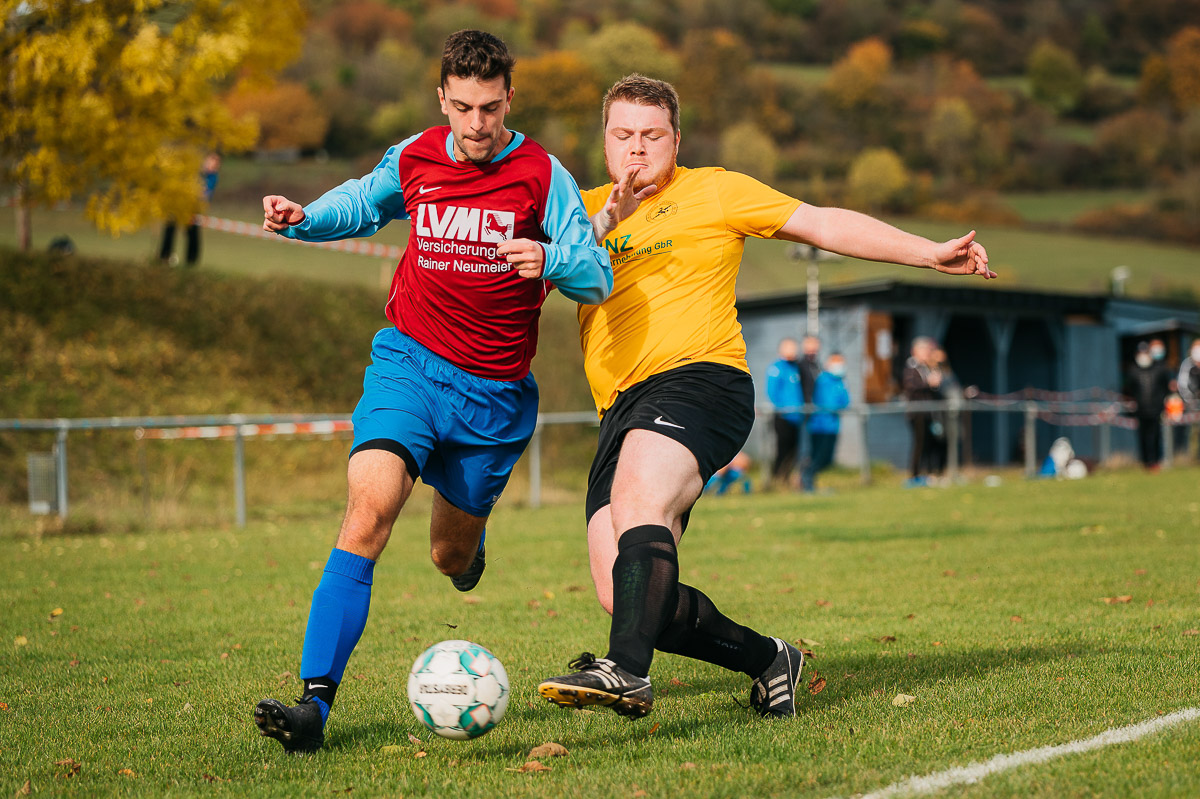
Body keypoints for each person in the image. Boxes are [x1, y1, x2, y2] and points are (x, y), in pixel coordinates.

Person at [537, 74, 994, 720]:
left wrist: (928, 253)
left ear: (676, 139)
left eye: (651, 135)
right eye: (622, 136)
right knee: (626, 595)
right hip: (619, 407)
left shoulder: (715, 189)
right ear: (604, 141)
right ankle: (769, 659)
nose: (637, 149)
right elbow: (529, 285)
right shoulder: (579, 213)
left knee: (638, 498)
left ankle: (626, 671)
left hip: (701, 382)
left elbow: (821, 222)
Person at [251, 30, 613, 753]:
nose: (477, 124)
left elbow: (595, 274)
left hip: (494, 397)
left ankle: (467, 553)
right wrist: (305, 218)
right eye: (463, 107)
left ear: (510, 97)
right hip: (408, 366)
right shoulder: (415, 156)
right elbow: (362, 202)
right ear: (442, 99)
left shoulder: (543, 175)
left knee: (449, 555)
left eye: (490, 107)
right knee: (368, 513)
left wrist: (549, 257)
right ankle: (314, 705)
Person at [160, 151, 220, 267]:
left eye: (217, 164)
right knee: (170, 227)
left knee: (193, 233)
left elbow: (206, 195)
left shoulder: (212, 177)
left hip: (193, 208)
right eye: (213, 162)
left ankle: (191, 262)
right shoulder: (194, 170)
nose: (215, 166)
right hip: (179, 203)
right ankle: (164, 256)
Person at [802, 353, 850, 493]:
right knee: (818, 456)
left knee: (827, 459)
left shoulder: (841, 381)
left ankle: (810, 482)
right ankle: (807, 483)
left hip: (833, 426)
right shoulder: (823, 380)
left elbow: (845, 402)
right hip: (819, 426)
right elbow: (829, 403)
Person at [1124, 341, 1172, 470]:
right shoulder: (1133, 371)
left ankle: (1156, 461)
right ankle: (1145, 462)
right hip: (1141, 410)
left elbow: (1165, 388)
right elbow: (1128, 391)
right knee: (1143, 437)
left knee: (1156, 436)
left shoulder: (1159, 369)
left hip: (1156, 409)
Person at [902, 337, 940, 486]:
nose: (927, 353)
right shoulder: (911, 367)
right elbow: (911, 386)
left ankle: (925, 473)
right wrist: (928, 383)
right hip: (917, 412)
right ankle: (914, 475)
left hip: (926, 412)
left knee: (926, 444)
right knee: (918, 444)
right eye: (924, 350)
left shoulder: (925, 367)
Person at [765, 338, 802, 486]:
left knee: (795, 449)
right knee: (782, 448)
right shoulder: (776, 368)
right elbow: (772, 392)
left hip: (797, 416)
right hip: (782, 416)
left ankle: (787, 477)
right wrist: (783, 408)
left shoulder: (797, 368)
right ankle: (777, 477)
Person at [1178, 340, 1200, 458]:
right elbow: (1182, 385)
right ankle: (1192, 457)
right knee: (1193, 433)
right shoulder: (1187, 365)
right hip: (1193, 406)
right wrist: (1191, 400)